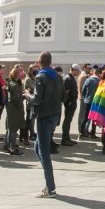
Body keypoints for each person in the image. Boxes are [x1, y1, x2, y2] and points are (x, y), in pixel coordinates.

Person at [25, 51, 64, 198]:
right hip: (54, 115)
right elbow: (63, 96)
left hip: (44, 116)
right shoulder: (58, 77)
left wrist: (28, 95)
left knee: (44, 152)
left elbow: (37, 99)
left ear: (39, 62)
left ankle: (51, 188)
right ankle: (49, 181)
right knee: (37, 147)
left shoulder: (41, 76)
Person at [5, 66, 25, 155]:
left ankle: (8, 145)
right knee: (13, 129)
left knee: (10, 128)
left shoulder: (11, 82)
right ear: (17, 74)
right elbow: (16, 98)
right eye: (20, 71)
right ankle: (12, 148)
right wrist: (24, 96)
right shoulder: (14, 84)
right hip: (14, 108)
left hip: (11, 107)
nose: (22, 72)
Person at [61, 64, 79, 146]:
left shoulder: (70, 78)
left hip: (71, 102)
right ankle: (65, 139)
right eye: (77, 71)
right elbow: (66, 92)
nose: (78, 72)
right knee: (67, 121)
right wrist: (68, 102)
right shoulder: (68, 78)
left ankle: (67, 138)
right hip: (70, 103)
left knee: (68, 121)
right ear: (73, 70)